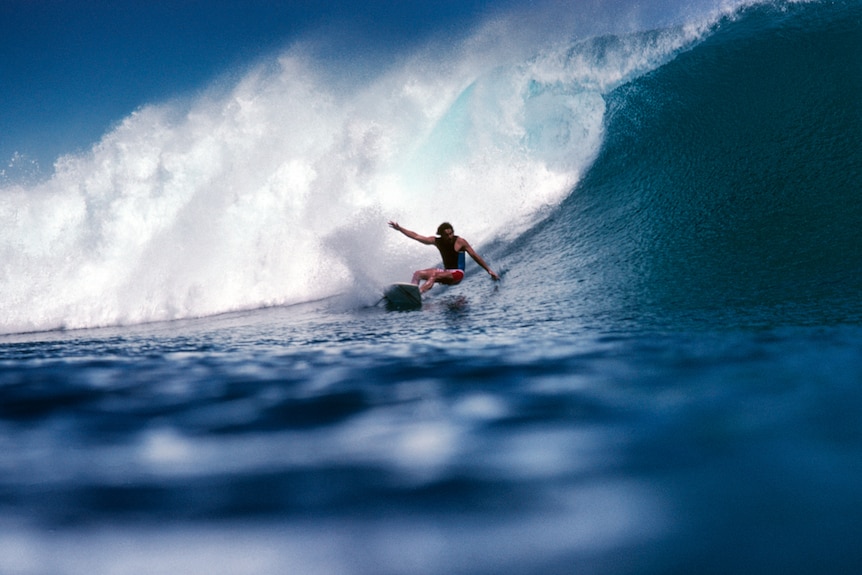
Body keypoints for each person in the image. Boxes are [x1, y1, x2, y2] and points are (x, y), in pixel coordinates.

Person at [389, 220, 500, 293]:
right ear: (440, 234)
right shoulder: (437, 241)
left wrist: (489, 271)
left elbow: (475, 256)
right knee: (418, 274)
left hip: (457, 274)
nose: (449, 236)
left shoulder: (460, 242)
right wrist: (400, 229)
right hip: (446, 271)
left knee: (434, 276)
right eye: (446, 235)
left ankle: (418, 293)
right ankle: (412, 292)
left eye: (451, 233)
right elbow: (416, 236)